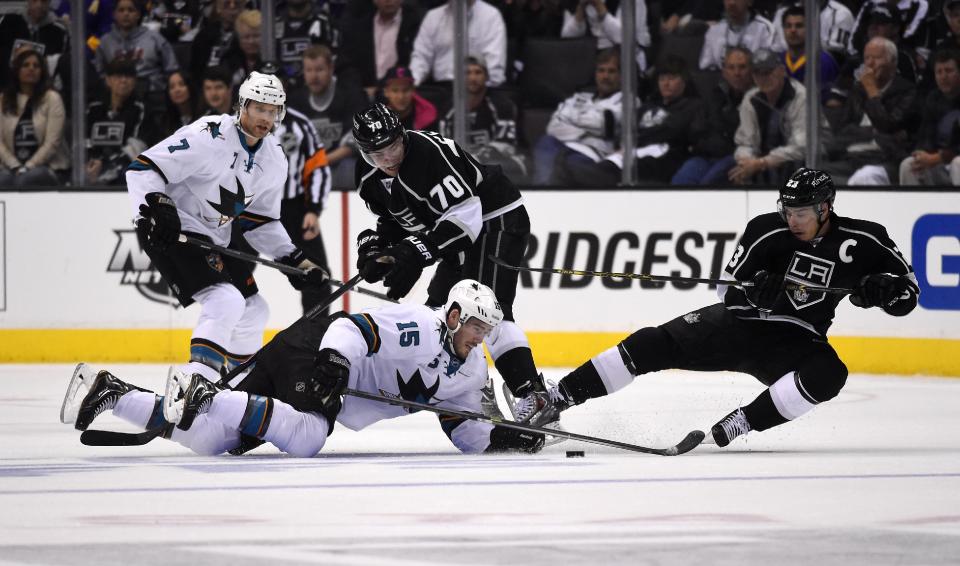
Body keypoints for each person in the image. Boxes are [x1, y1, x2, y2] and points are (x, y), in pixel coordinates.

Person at [508, 168, 919, 449]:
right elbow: (730, 291)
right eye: (788, 211)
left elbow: (908, 294)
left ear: (825, 209)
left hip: (796, 340)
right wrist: (758, 293)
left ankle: (742, 422)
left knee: (831, 374)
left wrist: (885, 293)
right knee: (653, 343)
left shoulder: (866, 240)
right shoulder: (766, 230)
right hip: (740, 326)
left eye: (801, 213)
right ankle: (555, 399)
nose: (792, 220)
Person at [61, 280, 545, 457]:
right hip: (315, 349)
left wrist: (508, 438)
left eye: (488, 329)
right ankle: (204, 393)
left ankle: (110, 391)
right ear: (456, 314)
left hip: (307, 360)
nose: (481, 336)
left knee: (214, 440)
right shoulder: (419, 323)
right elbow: (352, 327)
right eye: (476, 324)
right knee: (310, 436)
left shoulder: (470, 375)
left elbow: (465, 432)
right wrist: (335, 364)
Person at [124, 71, 329, 383]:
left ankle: (233, 384)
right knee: (226, 300)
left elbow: (259, 221)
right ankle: (195, 383)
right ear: (243, 106)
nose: (266, 118)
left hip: (213, 236)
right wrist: (158, 206)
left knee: (254, 309)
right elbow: (143, 167)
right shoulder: (209, 134)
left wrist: (294, 258)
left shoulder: (274, 159)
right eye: (259, 108)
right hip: (169, 227)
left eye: (272, 111)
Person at [352, 102, 548, 405]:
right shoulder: (368, 177)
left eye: (392, 146)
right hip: (456, 236)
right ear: (364, 153)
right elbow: (395, 219)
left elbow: (464, 221)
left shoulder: (430, 154)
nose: (388, 158)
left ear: (401, 135)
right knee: (441, 317)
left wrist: (415, 252)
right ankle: (476, 390)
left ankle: (533, 396)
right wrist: (377, 247)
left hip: (494, 218)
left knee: (488, 311)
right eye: (377, 154)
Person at [825, 37, 919, 186]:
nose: (870, 63)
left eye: (876, 58)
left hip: (885, 159)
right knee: (809, 176)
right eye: (867, 58)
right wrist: (872, 132)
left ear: (893, 62)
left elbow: (887, 125)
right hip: (851, 156)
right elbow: (842, 130)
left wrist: (872, 91)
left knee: (865, 177)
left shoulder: (907, 92)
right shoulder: (858, 90)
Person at [531, 47, 623, 185]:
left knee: (563, 168)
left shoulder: (626, 101)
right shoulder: (579, 97)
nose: (605, 76)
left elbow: (603, 124)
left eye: (611, 71)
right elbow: (553, 126)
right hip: (559, 147)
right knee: (545, 142)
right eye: (601, 70)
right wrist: (585, 132)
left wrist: (570, 117)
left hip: (590, 155)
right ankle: (543, 194)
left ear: (620, 75)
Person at [275, 101, 334, 314]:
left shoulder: (299, 124)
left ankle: (313, 338)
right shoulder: (239, 124)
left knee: (317, 275)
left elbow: (318, 166)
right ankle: (231, 339)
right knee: (235, 271)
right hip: (248, 207)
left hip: (294, 209)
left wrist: (313, 209)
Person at [286, 44, 368, 189]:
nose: (314, 76)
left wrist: (320, 161)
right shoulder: (295, 100)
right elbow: (288, 140)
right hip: (307, 164)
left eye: (319, 69)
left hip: (341, 163)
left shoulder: (350, 95)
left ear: (331, 69)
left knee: (351, 169)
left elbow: (355, 140)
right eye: (309, 70)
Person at [672, 47, 752, 185]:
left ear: (751, 70)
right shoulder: (714, 96)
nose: (737, 73)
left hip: (735, 157)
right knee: (681, 182)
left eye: (742, 67)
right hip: (706, 156)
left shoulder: (757, 98)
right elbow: (699, 129)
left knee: (708, 185)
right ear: (724, 71)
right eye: (731, 68)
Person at [438, 55, 526, 180]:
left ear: (486, 76)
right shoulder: (449, 108)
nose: (473, 78)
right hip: (462, 168)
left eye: (478, 72)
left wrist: (472, 159)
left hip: (499, 164)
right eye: (467, 73)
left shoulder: (502, 105)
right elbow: (443, 146)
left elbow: (505, 147)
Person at [730, 48, 807, 185]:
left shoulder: (800, 96)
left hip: (800, 164)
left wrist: (761, 163)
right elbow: (745, 142)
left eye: (767, 72)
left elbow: (801, 147)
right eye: (757, 73)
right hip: (761, 163)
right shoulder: (751, 98)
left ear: (781, 71)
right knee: (731, 175)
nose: (763, 78)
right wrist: (745, 161)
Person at [94, 0, 179, 113]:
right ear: (114, 14)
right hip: (116, 94)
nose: (126, 14)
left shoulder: (154, 38)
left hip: (151, 94)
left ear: (138, 14)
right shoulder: (105, 41)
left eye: (131, 10)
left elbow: (172, 69)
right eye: (121, 10)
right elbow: (100, 73)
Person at [0, 49, 68, 187]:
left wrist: (29, 166)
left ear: (42, 71)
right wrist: (15, 166)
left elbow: (52, 142)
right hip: (11, 167)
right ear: (17, 70)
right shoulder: (3, 99)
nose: (31, 69)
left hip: (48, 167)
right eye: (26, 65)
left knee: (26, 180)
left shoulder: (52, 98)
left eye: (36, 66)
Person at [409, 0, 507, 87]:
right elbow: (421, 58)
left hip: (480, 90)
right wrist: (410, 85)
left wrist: (477, 90)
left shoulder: (491, 16)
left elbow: (493, 69)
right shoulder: (432, 17)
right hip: (441, 89)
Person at [337, 0, 423, 97]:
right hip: (363, 95)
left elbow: (415, 64)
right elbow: (346, 65)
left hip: (399, 95)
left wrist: (382, 89)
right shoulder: (358, 26)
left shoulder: (415, 26)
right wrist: (359, 91)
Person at [899, 48, 960, 186]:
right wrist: (922, 155)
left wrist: (939, 157)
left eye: (949, 71)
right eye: (939, 72)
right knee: (909, 165)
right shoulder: (933, 99)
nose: (943, 76)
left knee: (958, 164)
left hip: (953, 159)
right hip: (939, 162)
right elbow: (925, 135)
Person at [85, 59, 148, 185]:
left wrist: (106, 164)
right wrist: (91, 161)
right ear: (108, 80)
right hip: (92, 164)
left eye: (128, 76)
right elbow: (84, 138)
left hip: (123, 167)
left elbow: (137, 146)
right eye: (118, 76)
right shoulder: (94, 108)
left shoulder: (140, 109)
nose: (123, 80)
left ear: (134, 81)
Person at [560, 0, 650, 71]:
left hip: (626, 57)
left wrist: (599, 6)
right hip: (591, 55)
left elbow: (624, 37)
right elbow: (567, 37)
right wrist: (580, 9)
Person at [778, 5, 840, 102]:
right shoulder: (777, 61)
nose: (793, 30)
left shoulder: (824, 62)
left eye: (799, 26)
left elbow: (830, 104)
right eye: (788, 26)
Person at [274, 0, 338, 89]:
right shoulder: (273, 22)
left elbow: (334, 59)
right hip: (281, 90)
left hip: (316, 89)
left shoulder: (325, 22)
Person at [699, 0, 775, 71]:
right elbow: (706, 68)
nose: (732, 3)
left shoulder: (764, 29)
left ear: (750, 2)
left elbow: (767, 66)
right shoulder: (714, 31)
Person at [379, 65, 438, 132]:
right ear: (386, 92)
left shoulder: (427, 116)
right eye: (395, 91)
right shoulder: (377, 119)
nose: (401, 97)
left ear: (413, 90)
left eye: (406, 90)